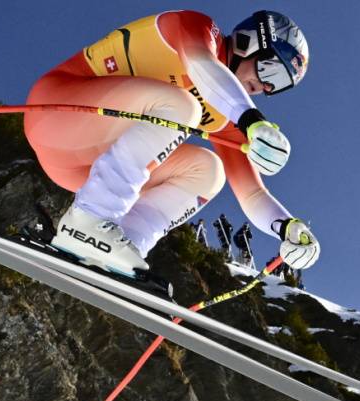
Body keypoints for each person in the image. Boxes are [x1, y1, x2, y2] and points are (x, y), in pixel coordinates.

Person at [24, 10, 320, 278]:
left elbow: (252, 193)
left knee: (209, 171)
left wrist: (287, 227)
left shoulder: (230, 118)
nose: (266, 87)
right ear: (251, 42)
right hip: (56, 113)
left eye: (278, 87)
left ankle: (120, 246)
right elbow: (202, 66)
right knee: (184, 107)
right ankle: (90, 220)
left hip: (81, 169)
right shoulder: (197, 28)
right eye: (271, 71)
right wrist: (251, 120)